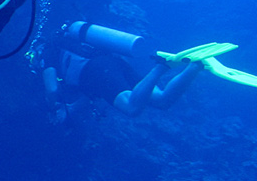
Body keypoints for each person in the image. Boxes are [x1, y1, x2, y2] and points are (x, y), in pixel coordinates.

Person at [34, 21, 203, 124]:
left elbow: (52, 89)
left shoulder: (46, 52)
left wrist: (54, 107)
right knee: (161, 100)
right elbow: (89, 92)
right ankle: (195, 66)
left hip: (96, 71)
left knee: (131, 107)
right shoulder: (68, 44)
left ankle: (161, 66)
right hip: (112, 63)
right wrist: (70, 109)